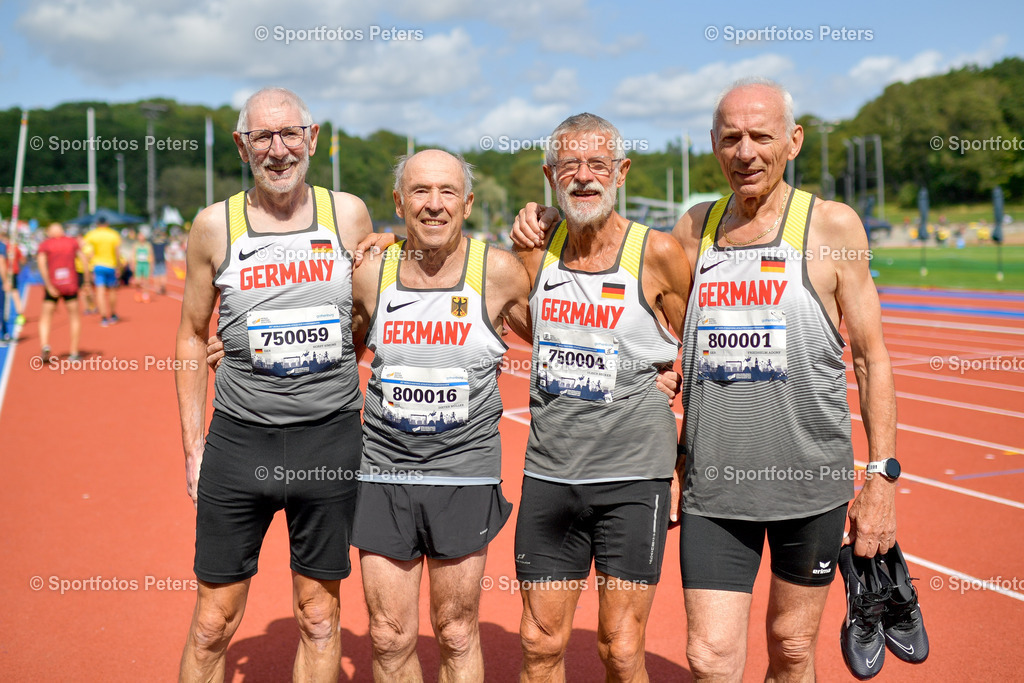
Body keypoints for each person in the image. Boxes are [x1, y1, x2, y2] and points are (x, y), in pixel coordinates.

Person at [513, 79, 899, 682]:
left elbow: (872, 358)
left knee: (792, 648)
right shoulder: (695, 228)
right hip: (715, 486)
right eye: (731, 139)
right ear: (715, 148)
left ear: (793, 142)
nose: (746, 152)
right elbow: (656, 327)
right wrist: (539, 219)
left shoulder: (832, 226)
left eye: (761, 137)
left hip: (810, 481)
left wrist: (880, 479)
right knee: (710, 658)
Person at [174, 86, 373, 682]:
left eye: (291, 135)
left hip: (330, 440)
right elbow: (189, 333)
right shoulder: (214, 225)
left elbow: (368, 314)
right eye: (263, 136)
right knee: (213, 622)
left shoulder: (349, 213)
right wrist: (193, 446)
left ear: (313, 139)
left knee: (318, 617)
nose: (279, 149)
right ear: (242, 145)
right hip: (240, 443)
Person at [509, 113, 691, 682]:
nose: (584, 177)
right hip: (551, 475)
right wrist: (383, 242)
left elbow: (705, 354)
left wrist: (685, 450)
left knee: (620, 647)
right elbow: (520, 326)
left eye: (598, 165)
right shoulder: (534, 252)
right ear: (550, 174)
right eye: (570, 166)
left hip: (635, 479)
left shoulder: (658, 253)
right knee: (540, 644)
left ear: (622, 171)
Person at [350, 149, 532, 681]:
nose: (433, 205)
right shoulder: (370, 274)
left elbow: (561, 338)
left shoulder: (498, 272)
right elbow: (336, 347)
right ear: (399, 202)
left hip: (464, 474)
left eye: (447, 192)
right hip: (385, 470)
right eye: (420, 192)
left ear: (468, 202)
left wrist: (657, 367)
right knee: (388, 635)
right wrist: (240, 350)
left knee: (455, 630)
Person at [36, 223, 83, 361]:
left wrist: (48, 284)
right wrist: (86, 280)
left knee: (45, 317)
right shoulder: (72, 242)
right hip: (70, 284)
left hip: (53, 285)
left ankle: (45, 344)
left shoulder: (46, 244)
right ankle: (74, 351)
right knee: (74, 317)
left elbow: (41, 264)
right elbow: (84, 259)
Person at [83, 219, 122, 326]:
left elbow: (87, 251)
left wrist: (90, 264)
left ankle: (104, 317)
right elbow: (117, 252)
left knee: (100, 291)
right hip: (111, 265)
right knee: (112, 290)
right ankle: (113, 314)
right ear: (107, 224)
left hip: (98, 265)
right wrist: (119, 266)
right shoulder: (113, 235)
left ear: (97, 224)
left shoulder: (91, 235)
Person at [132, 227, 155, 302]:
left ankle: (145, 295)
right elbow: (133, 255)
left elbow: (151, 255)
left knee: (146, 281)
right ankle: (138, 292)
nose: (140, 237)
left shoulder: (148, 245)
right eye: (139, 236)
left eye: (142, 236)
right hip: (138, 264)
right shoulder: (136, 245)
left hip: (146, 264)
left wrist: (152, 265)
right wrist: (132, 264)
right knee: (137, 281)